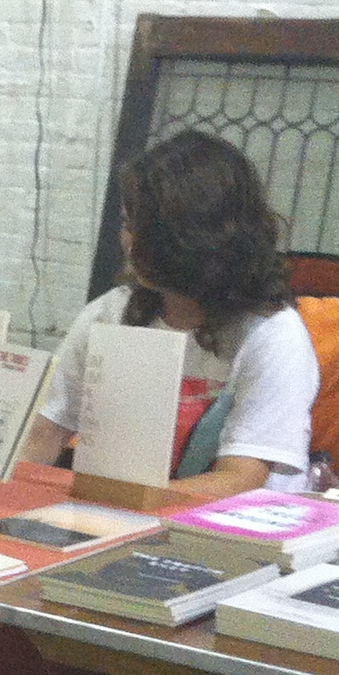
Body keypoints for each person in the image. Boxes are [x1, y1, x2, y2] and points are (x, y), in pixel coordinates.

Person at [21, 130, 316, 492]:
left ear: (194, 239)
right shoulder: (111, 312)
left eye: (142, 229)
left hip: (226, 535)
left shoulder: (271, 334)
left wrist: (113, 501)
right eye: (127, 224)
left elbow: (239, 480)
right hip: (122, 511)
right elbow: (46, 431)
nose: (129, 242)